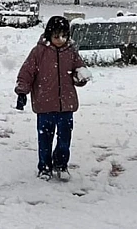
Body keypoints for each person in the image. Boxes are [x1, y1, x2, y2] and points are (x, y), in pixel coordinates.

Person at [14, 15, 90, 181]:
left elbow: (79, 70)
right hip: (45, 105)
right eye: (56, 36)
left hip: (66, 105)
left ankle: (61, 164)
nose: (60, 40)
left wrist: (81, 77)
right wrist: (22, 92)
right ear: (49, 35)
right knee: (45, 139)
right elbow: (26, 73)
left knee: (64, 139)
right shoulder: (38, 52)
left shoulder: (71, 52)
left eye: (64, 36)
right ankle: (45, 166)